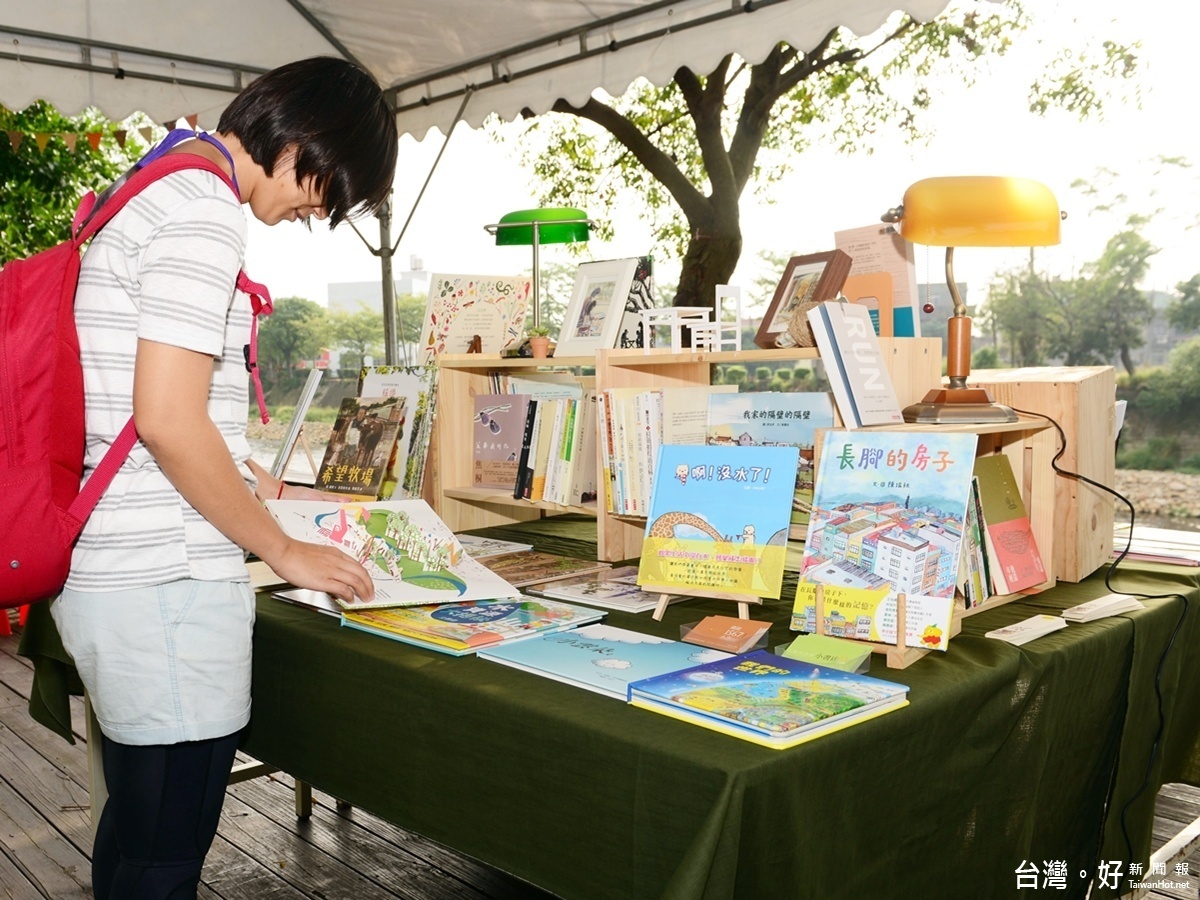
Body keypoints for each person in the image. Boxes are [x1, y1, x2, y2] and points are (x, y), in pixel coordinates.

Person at [48, 56, 397, 900]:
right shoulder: (205, 210)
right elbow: (168, 418)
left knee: (137, 830)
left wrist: (270, 492)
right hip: (162, 580)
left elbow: (147, 411)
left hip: (116, 567)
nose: (318, 209)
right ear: (302, 139)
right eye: (327, 189)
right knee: (167, 852)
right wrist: (282, 548)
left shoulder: (156, 183)